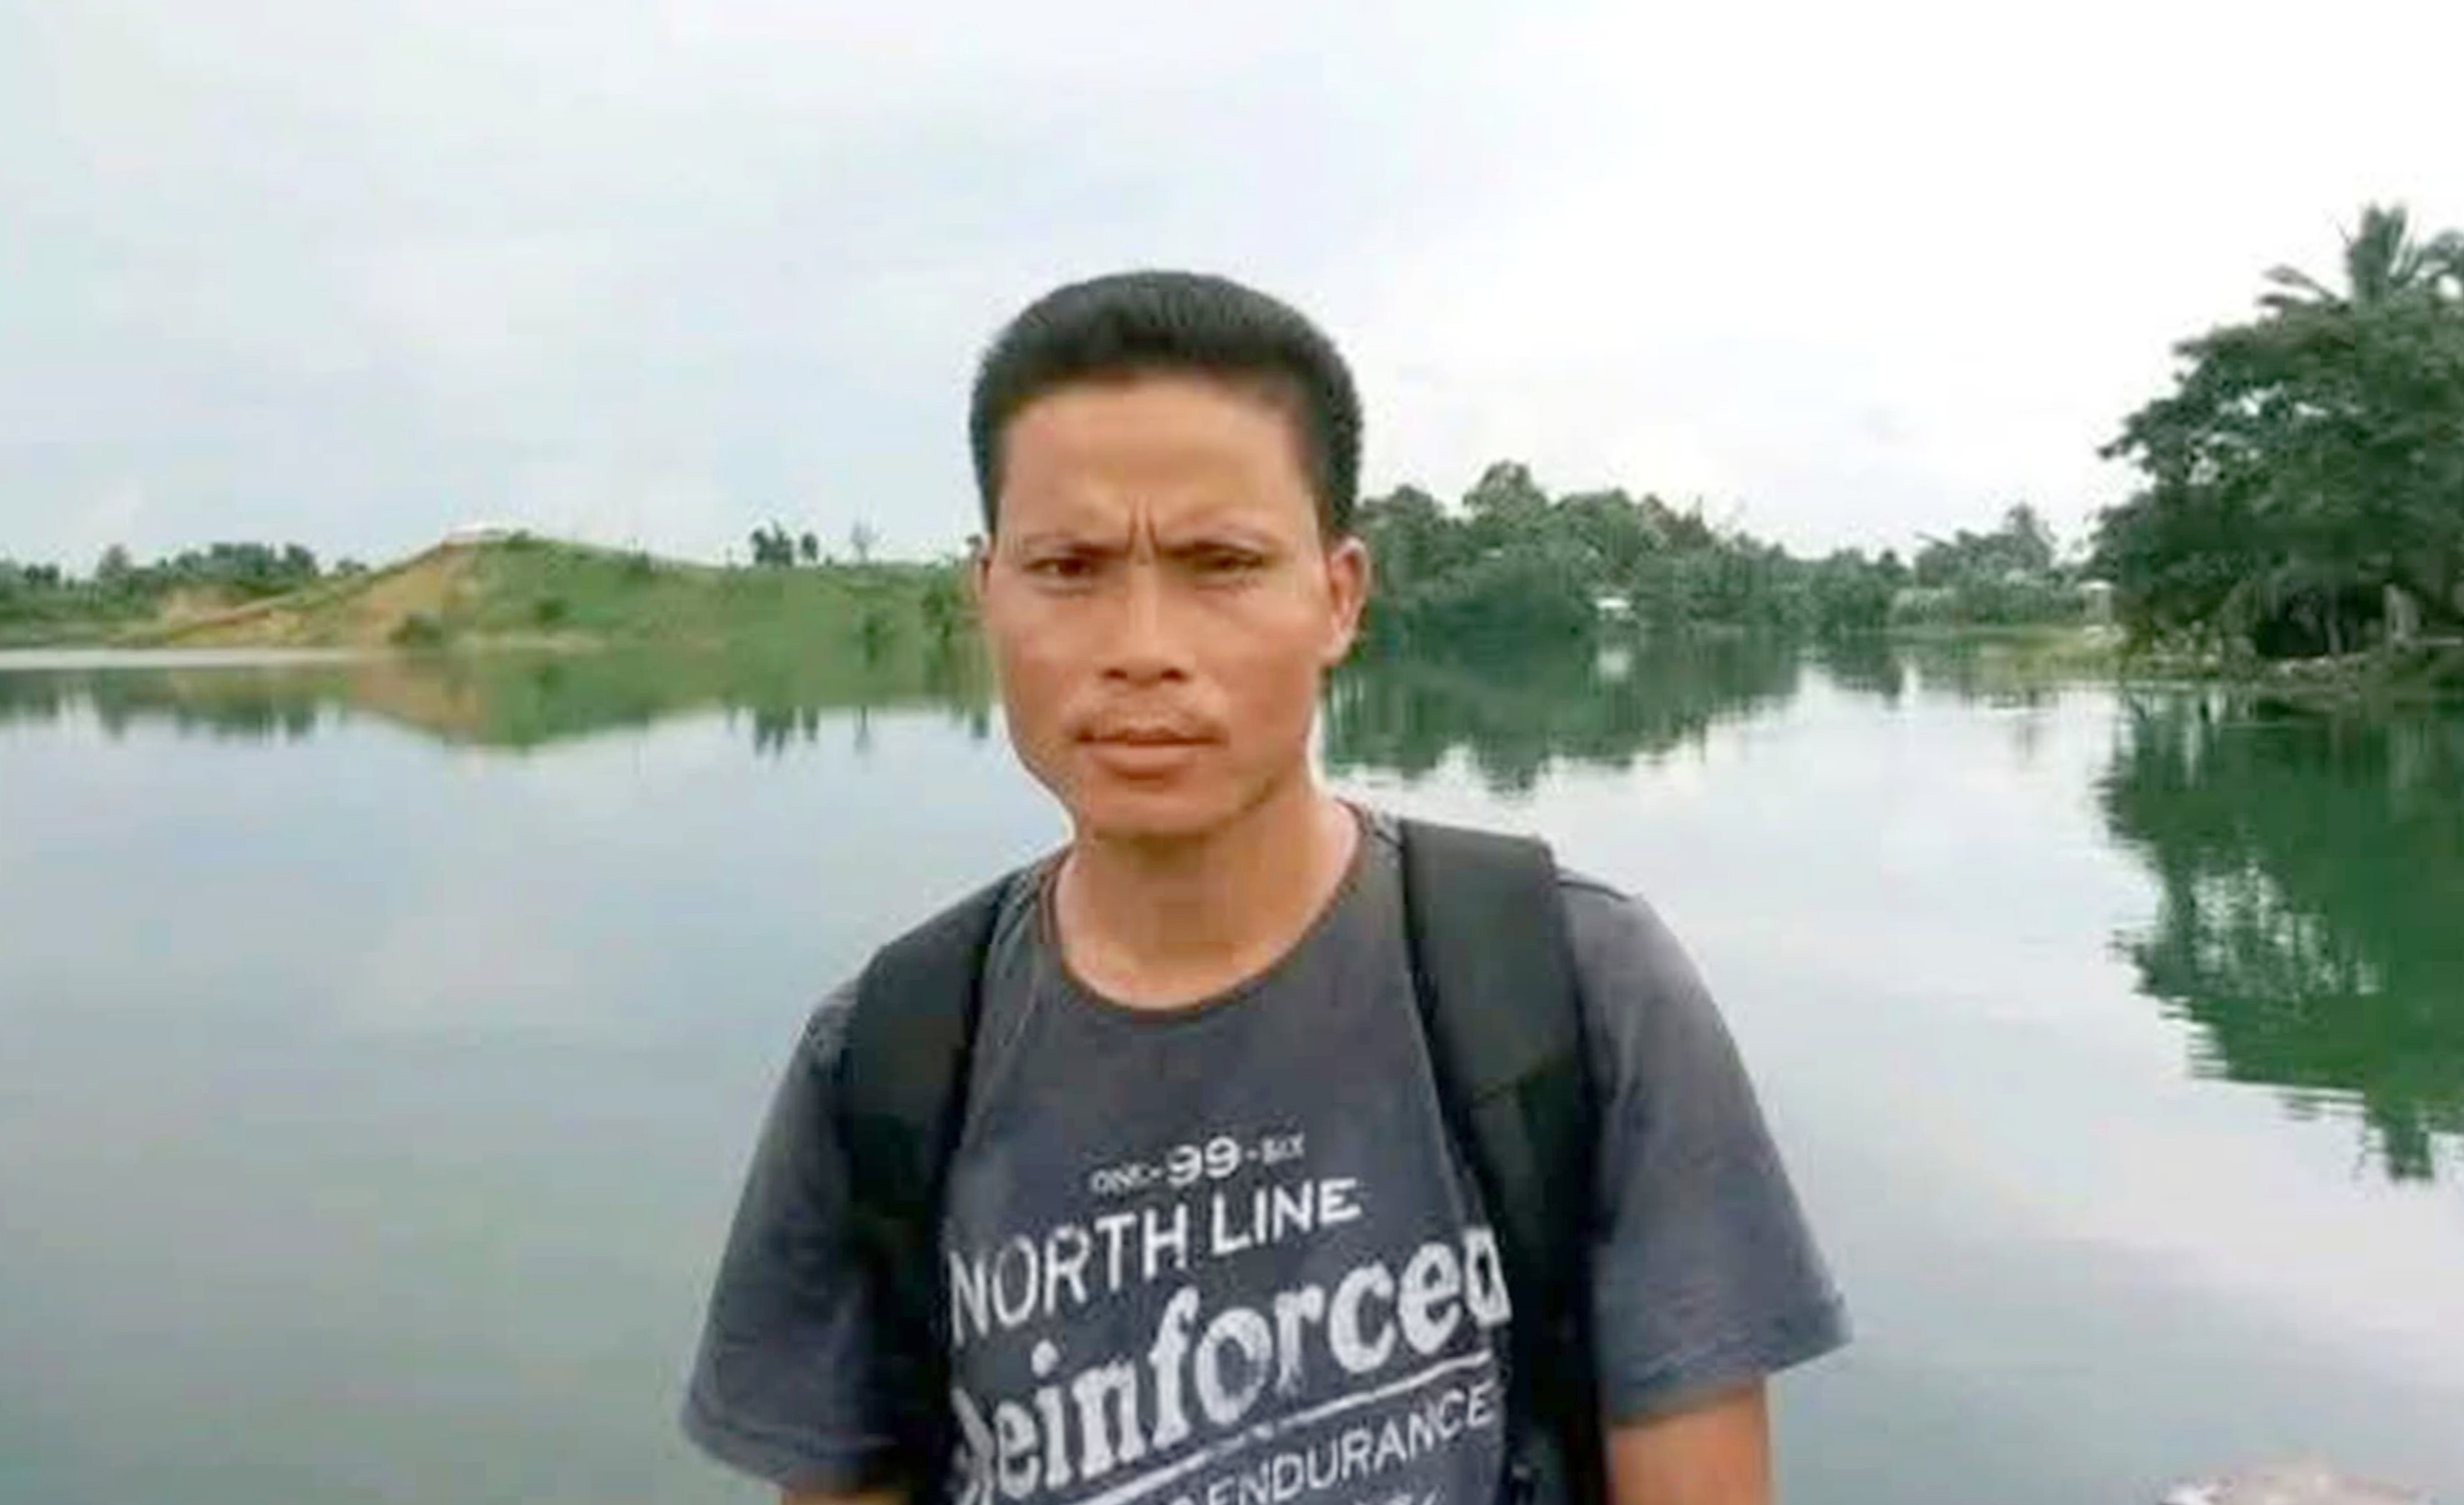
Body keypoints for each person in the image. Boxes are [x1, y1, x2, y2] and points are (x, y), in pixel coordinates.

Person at [680, 270, 1848, 1505]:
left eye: (1221, 563)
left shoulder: (1572, 988)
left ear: (1337, 598)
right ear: (986, 597)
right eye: (1068, 567)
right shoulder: (888, 1061)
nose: (1142, 647)